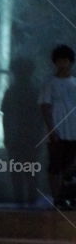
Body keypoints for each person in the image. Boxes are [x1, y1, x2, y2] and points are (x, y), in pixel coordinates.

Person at [39, 44, 76, 206]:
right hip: (57, 130)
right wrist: (51, 129)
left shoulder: (75, 83)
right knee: (56, 164)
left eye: (65, 61)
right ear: (55, 62)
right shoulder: (50, 83)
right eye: (60, 61)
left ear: (70, 62)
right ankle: (57, 198)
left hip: (73, 129)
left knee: (71, 165)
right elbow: (45, 107)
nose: (63, 64)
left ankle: (69, 196)